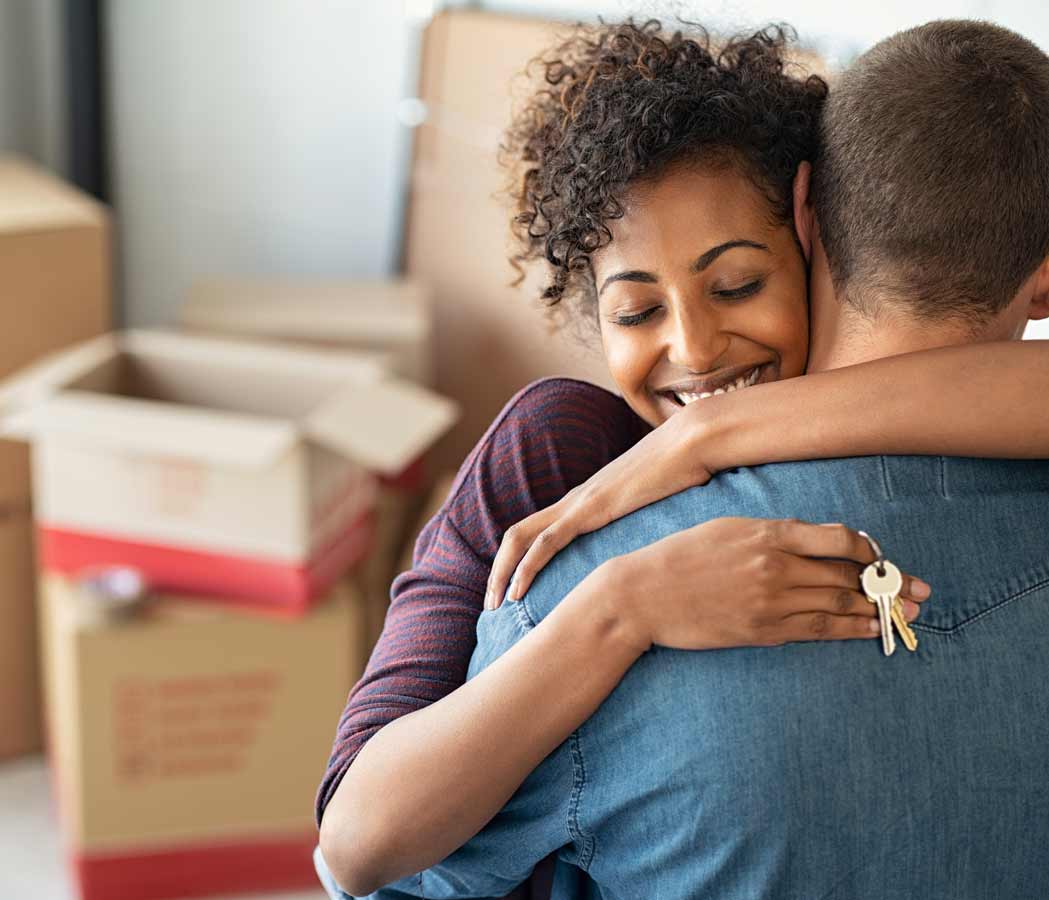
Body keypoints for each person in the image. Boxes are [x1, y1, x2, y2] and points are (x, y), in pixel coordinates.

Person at [317, 20, 1049, 898]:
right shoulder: (551, 479)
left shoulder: (607, 544)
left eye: (737, 285)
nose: (697, 350)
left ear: (807, 221)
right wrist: (620, 607)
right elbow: (355, 845)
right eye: (636, 312)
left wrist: (706, 438)